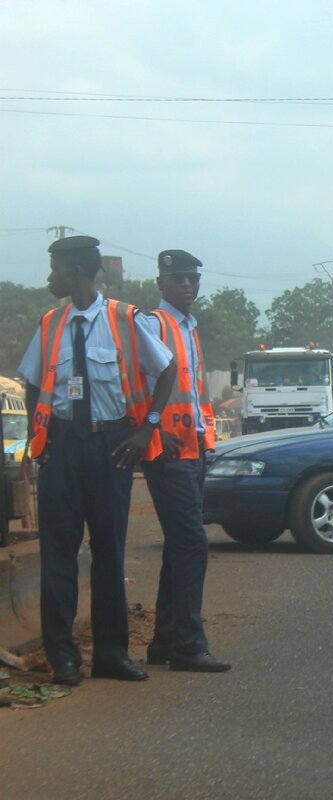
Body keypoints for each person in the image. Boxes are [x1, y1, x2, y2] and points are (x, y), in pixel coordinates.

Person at [19, 235, 177, 686]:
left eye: (56, 270)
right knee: (58, 554)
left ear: (78, 272)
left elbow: (165, 369)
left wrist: (146, 427)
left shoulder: (125, 320)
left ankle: (111, 654)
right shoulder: (50, 323)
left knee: (109, 552)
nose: (51, 278)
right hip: (63, 449)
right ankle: (63, 658)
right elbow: (32, 380)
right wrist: (38, 433)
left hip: (111, 448)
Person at [140, 249, 231, 672]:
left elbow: (196, 395)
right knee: (192, 543)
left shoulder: (189, 329)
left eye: (193, 278)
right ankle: (189, 646)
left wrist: (207, 441)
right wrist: (154, 432)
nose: (188, 285)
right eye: (178, 279)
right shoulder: (152, 325)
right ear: (161, 282)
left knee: (180, 546)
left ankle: (164, 641)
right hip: (168, 452)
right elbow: (136, 388)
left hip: (194, 450)